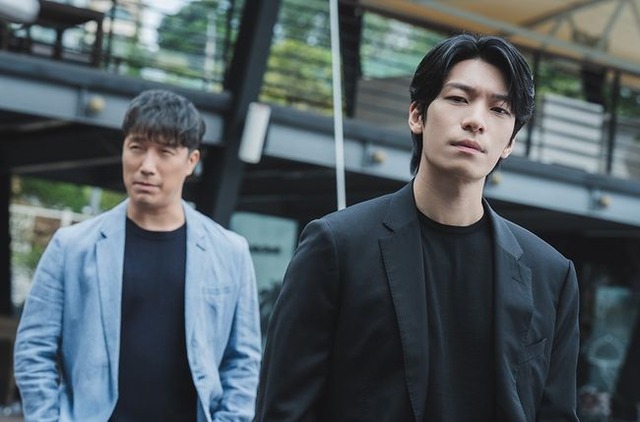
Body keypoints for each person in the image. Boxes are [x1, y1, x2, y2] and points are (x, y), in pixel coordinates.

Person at [255, 34, 580, 421]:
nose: (475, 121)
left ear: (509, 142)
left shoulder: (551, 274)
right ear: (417, 115)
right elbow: (285, 408)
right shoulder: (338, 245)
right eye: (458, 98)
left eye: (499, 109)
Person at [14, 89, 262, 421]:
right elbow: (34, 348)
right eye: (137, 148)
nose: (146, 166)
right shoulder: (71, 246)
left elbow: (243, 360)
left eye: (165, 152)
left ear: (191, 161)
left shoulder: (230, 252)